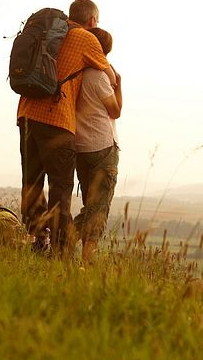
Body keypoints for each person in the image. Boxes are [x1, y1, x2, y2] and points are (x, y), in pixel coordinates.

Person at [17, 0, 116, 257]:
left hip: (27, 113)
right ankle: (60, 251)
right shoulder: (86, 39)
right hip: (57, 118)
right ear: (93, 21)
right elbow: (110, 76)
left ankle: (38, 241)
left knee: (32, 183)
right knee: (60, 187)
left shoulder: (50, 32)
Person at [74, 27, 121, 262]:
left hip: (79, 147)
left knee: (90, 204)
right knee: (99, 207)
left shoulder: (76, 73)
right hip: (102, 145)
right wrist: (119, 85)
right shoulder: (100, 76)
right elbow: (116, 111)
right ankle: (85, 257)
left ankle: (59, 243)